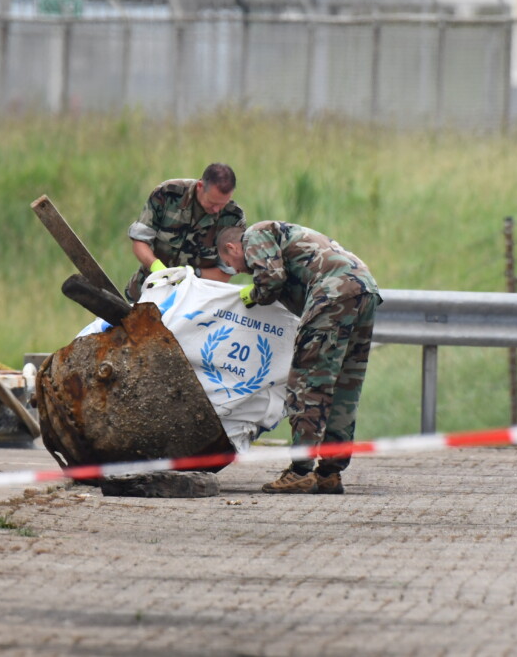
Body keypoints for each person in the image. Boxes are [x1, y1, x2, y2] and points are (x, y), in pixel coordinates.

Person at [216, 222, 381, 495]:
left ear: (233, 247)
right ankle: (330, 473)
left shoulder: (255, 235)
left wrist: (253, 295)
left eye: (229, 262)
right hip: (365, 290)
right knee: (344, 385)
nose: (236, 270)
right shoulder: (282, 235)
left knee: (308, 383)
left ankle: (300, 472)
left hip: (333, 294)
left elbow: (270, 280)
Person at [124, 163, 245, 302]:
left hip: (193, 304)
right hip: (147, 292)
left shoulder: (233, 218)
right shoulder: (168, 194)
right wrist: (159, 270)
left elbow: (225, 272)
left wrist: (189, 275)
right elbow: (140, 241)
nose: (217, 209)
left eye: (222, 204)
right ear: (200, 186)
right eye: (212, 203)